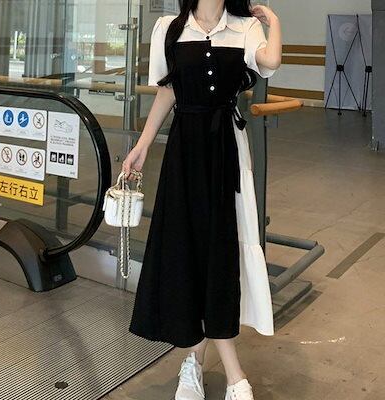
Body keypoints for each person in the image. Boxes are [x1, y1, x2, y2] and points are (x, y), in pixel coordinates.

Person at [122, 1, 282, 399]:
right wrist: (143, 144)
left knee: (219, 253)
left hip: (226, 151)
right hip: (184, 153)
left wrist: (274, 21)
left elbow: (271, 61)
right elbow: (168, 92)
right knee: (187, 249)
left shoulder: (244, 28)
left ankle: (203, 367)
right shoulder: (169, 28)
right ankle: (218, 371)